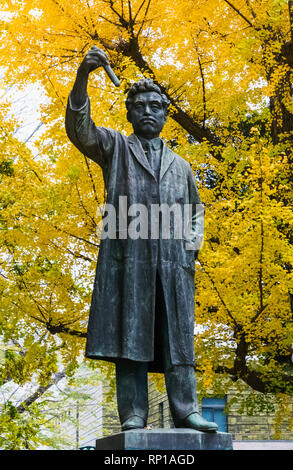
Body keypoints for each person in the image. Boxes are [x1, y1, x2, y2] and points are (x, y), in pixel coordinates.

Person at [65, 46, 218, 433]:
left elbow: (195, 214)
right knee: (129, 338)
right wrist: (83, 76)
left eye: (155, 106)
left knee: (179, 343)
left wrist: (188, 254)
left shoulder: (181, 166)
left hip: (173, 269)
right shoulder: (115, 148)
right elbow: (79, 130)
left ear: (166, 115)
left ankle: (186, 410)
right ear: (130, 113)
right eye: (140, 106)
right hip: (129, 263)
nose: (148, 111)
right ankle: (133, 414)